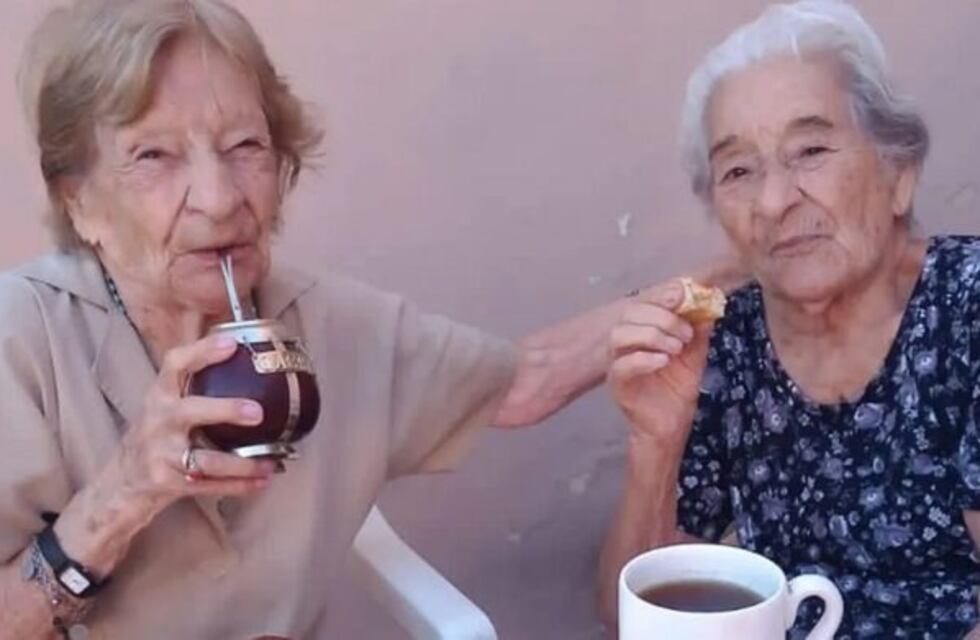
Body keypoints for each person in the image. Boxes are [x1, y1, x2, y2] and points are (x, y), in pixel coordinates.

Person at [0, 1, 652, 637]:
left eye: (245, 145)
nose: (222, 198)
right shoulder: (21, 341)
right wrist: (126, 491)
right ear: (78, 201)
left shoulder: (325, 323)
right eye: (154, 156)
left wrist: (718, 282)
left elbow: (520, 380)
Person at [597, 1, 980, 638]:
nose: (774, 200)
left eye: (810, 150)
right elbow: (632, 616)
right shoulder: (723, 344)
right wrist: (655, 442)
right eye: (739, 170)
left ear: (898, 175)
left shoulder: (967, 308)